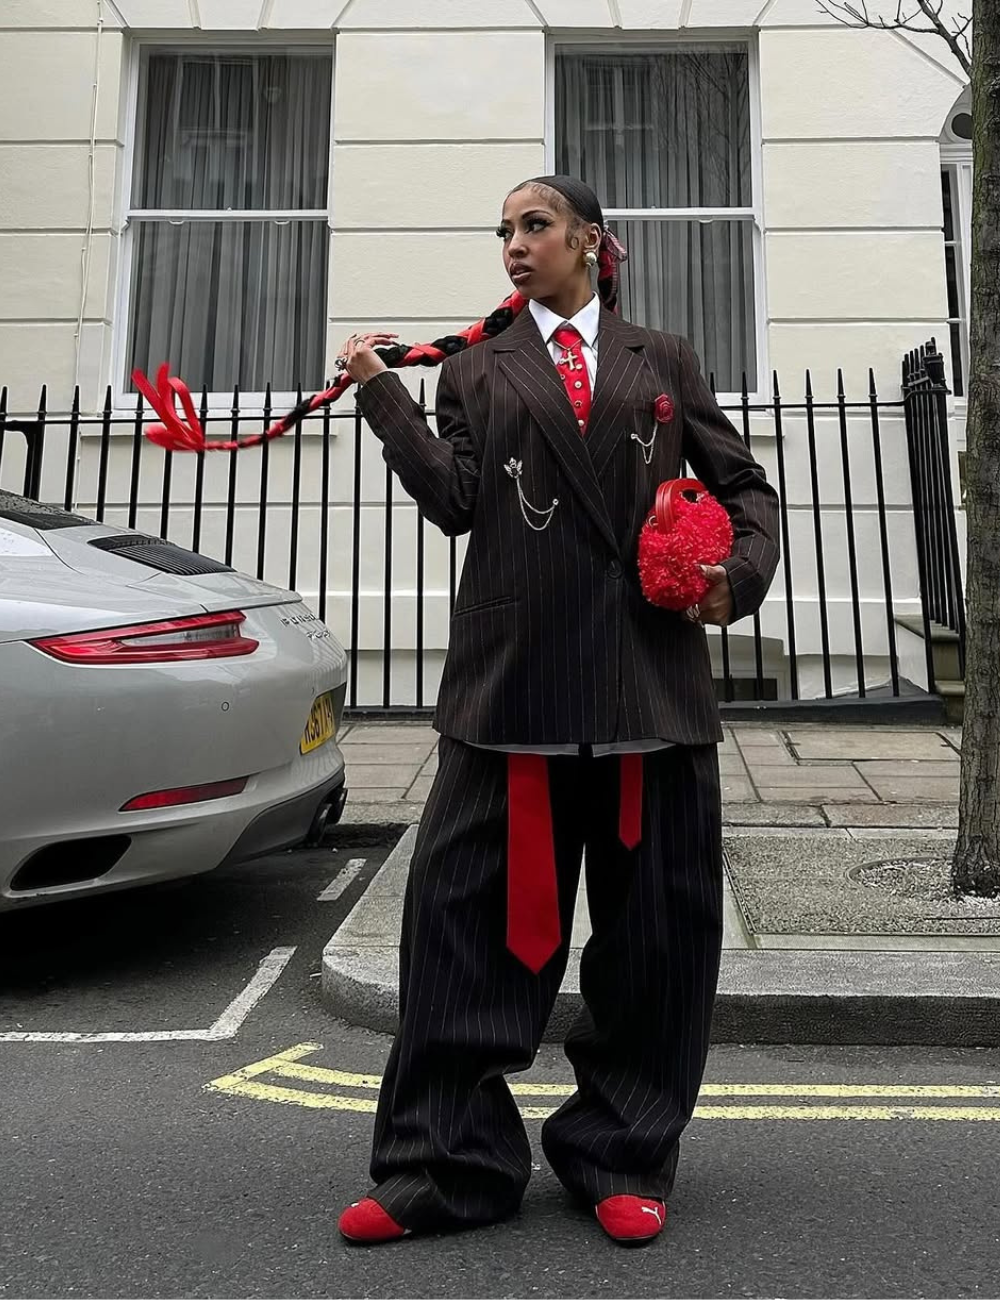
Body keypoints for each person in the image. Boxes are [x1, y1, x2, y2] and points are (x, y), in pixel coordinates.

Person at [334, 175, 779, 1247]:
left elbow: (743, 489)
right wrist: (383, 396)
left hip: (646, 691)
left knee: (655, 944)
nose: (514, 245)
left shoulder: (661, 358)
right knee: (460, 937)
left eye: (534, 225)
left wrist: (734, 577)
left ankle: (622, 1152)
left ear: (590, 240)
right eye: (502, 231)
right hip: (512, 690)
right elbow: (455, 501)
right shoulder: (474, 368)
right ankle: (443, 1167)